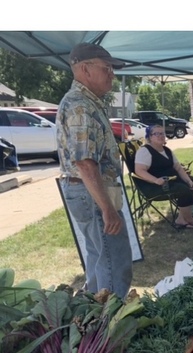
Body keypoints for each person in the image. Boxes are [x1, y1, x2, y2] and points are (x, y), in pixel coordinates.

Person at [56, 42, 133, 299]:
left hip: (88, 191)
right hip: (91, 192)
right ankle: (111, 323)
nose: (112, 74)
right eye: (107, 68)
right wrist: (107, 209)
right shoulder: (80, 105)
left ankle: (95, 313)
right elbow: (85, 163)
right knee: (114, 260)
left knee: (99, 256)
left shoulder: (87, 101)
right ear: (85, 69)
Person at [133, 124, 193, 228]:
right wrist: (155, 180)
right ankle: (186, 219)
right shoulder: (145, 151)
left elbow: (178, 168)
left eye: (162, 133)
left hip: (172, 180)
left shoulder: (166, 150)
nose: (161, 136)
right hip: (154, 186)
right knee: (182, 189)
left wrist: (188, 180)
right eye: (156, 134)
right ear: (150, 137)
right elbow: (139, 171)